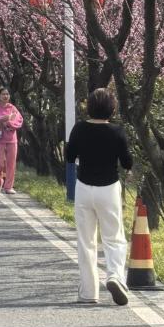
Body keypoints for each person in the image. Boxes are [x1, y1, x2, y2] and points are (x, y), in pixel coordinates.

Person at [66, 88, 133, 305]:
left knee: (86, 241)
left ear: (90, 106)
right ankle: (115, 276)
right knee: (114, 238)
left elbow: (69, 157)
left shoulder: (79, 129)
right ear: (112, 108)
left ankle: (89, 292)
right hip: (109, 188)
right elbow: (127, 163)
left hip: (84, 188)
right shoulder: (117, 131)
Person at [0, 89, 23, 193]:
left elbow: (19, 122)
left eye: (7, 94)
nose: (5, 96)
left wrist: (7, 123)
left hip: (11, 140)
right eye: (3, 94)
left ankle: (9, 187)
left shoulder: (13, 108)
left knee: (11, 164)